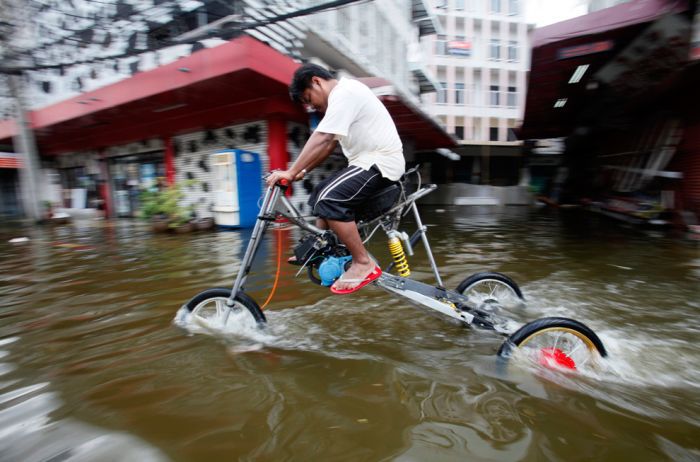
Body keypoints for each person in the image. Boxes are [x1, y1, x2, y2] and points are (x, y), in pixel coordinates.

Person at [265, 63, 405, 295]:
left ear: (316, 81)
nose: (311, 106)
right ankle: (322, 249)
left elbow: (323, 136)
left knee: (330, 200)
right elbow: (329, 144)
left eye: (308, 98)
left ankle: (363, 263)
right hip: (366, 162)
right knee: (319, 193)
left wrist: (290, 172)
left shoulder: (345, 92)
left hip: (380, 161)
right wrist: (303, 171)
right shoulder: (342, 98)